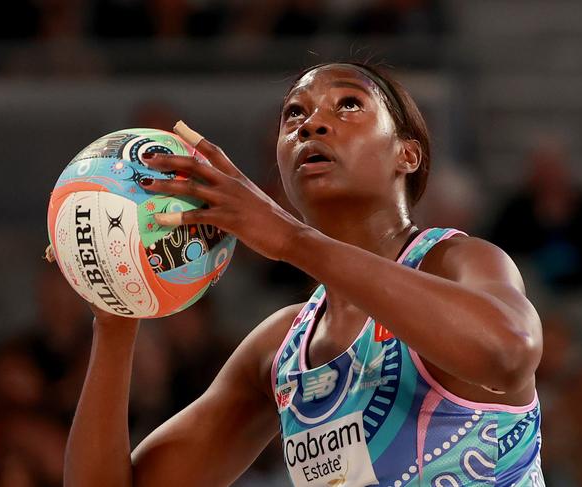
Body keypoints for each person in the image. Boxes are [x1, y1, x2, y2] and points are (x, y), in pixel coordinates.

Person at [62, 62, 545, 486]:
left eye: (348, 105)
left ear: (407, 155)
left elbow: (508, 353)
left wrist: (291, 239)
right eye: (294, 113)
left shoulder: (458, 261)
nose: (312, 123)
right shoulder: (280, 350)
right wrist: (116, 316)